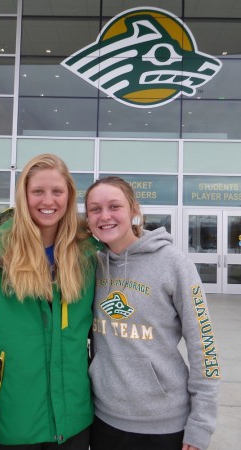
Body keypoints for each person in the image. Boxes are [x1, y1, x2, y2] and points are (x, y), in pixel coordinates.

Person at [0, 154, 98, 450]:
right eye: (38, 191)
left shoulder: (86, 257)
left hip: (75, 427)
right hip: (13, 429)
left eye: (57, 191)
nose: (48, 200)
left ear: (69, 196)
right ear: (23, 195)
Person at [85, 176, 220, 450]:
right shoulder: (91, 265)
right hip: (103, 420)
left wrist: (201, 424)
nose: (105, 216)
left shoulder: (173, 263)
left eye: (115, 206)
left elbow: (203, 344)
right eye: (95, 209)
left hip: (165, 425)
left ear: (134, 209)